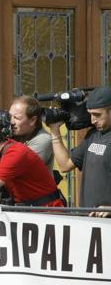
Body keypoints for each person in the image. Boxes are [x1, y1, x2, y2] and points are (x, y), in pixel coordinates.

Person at [49, 86, 111, 216]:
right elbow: (65, 165)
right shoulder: (93, 135)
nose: (93, 120)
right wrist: (54, 130)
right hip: (88, 221)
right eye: (90, 114)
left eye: (97, 115)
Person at [9, 95, 54, 176]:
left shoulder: (43, 139)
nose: (11, 122)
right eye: (10, 116)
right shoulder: (15, 134)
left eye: (16, 118)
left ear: (32, 120)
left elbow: (14, 168)